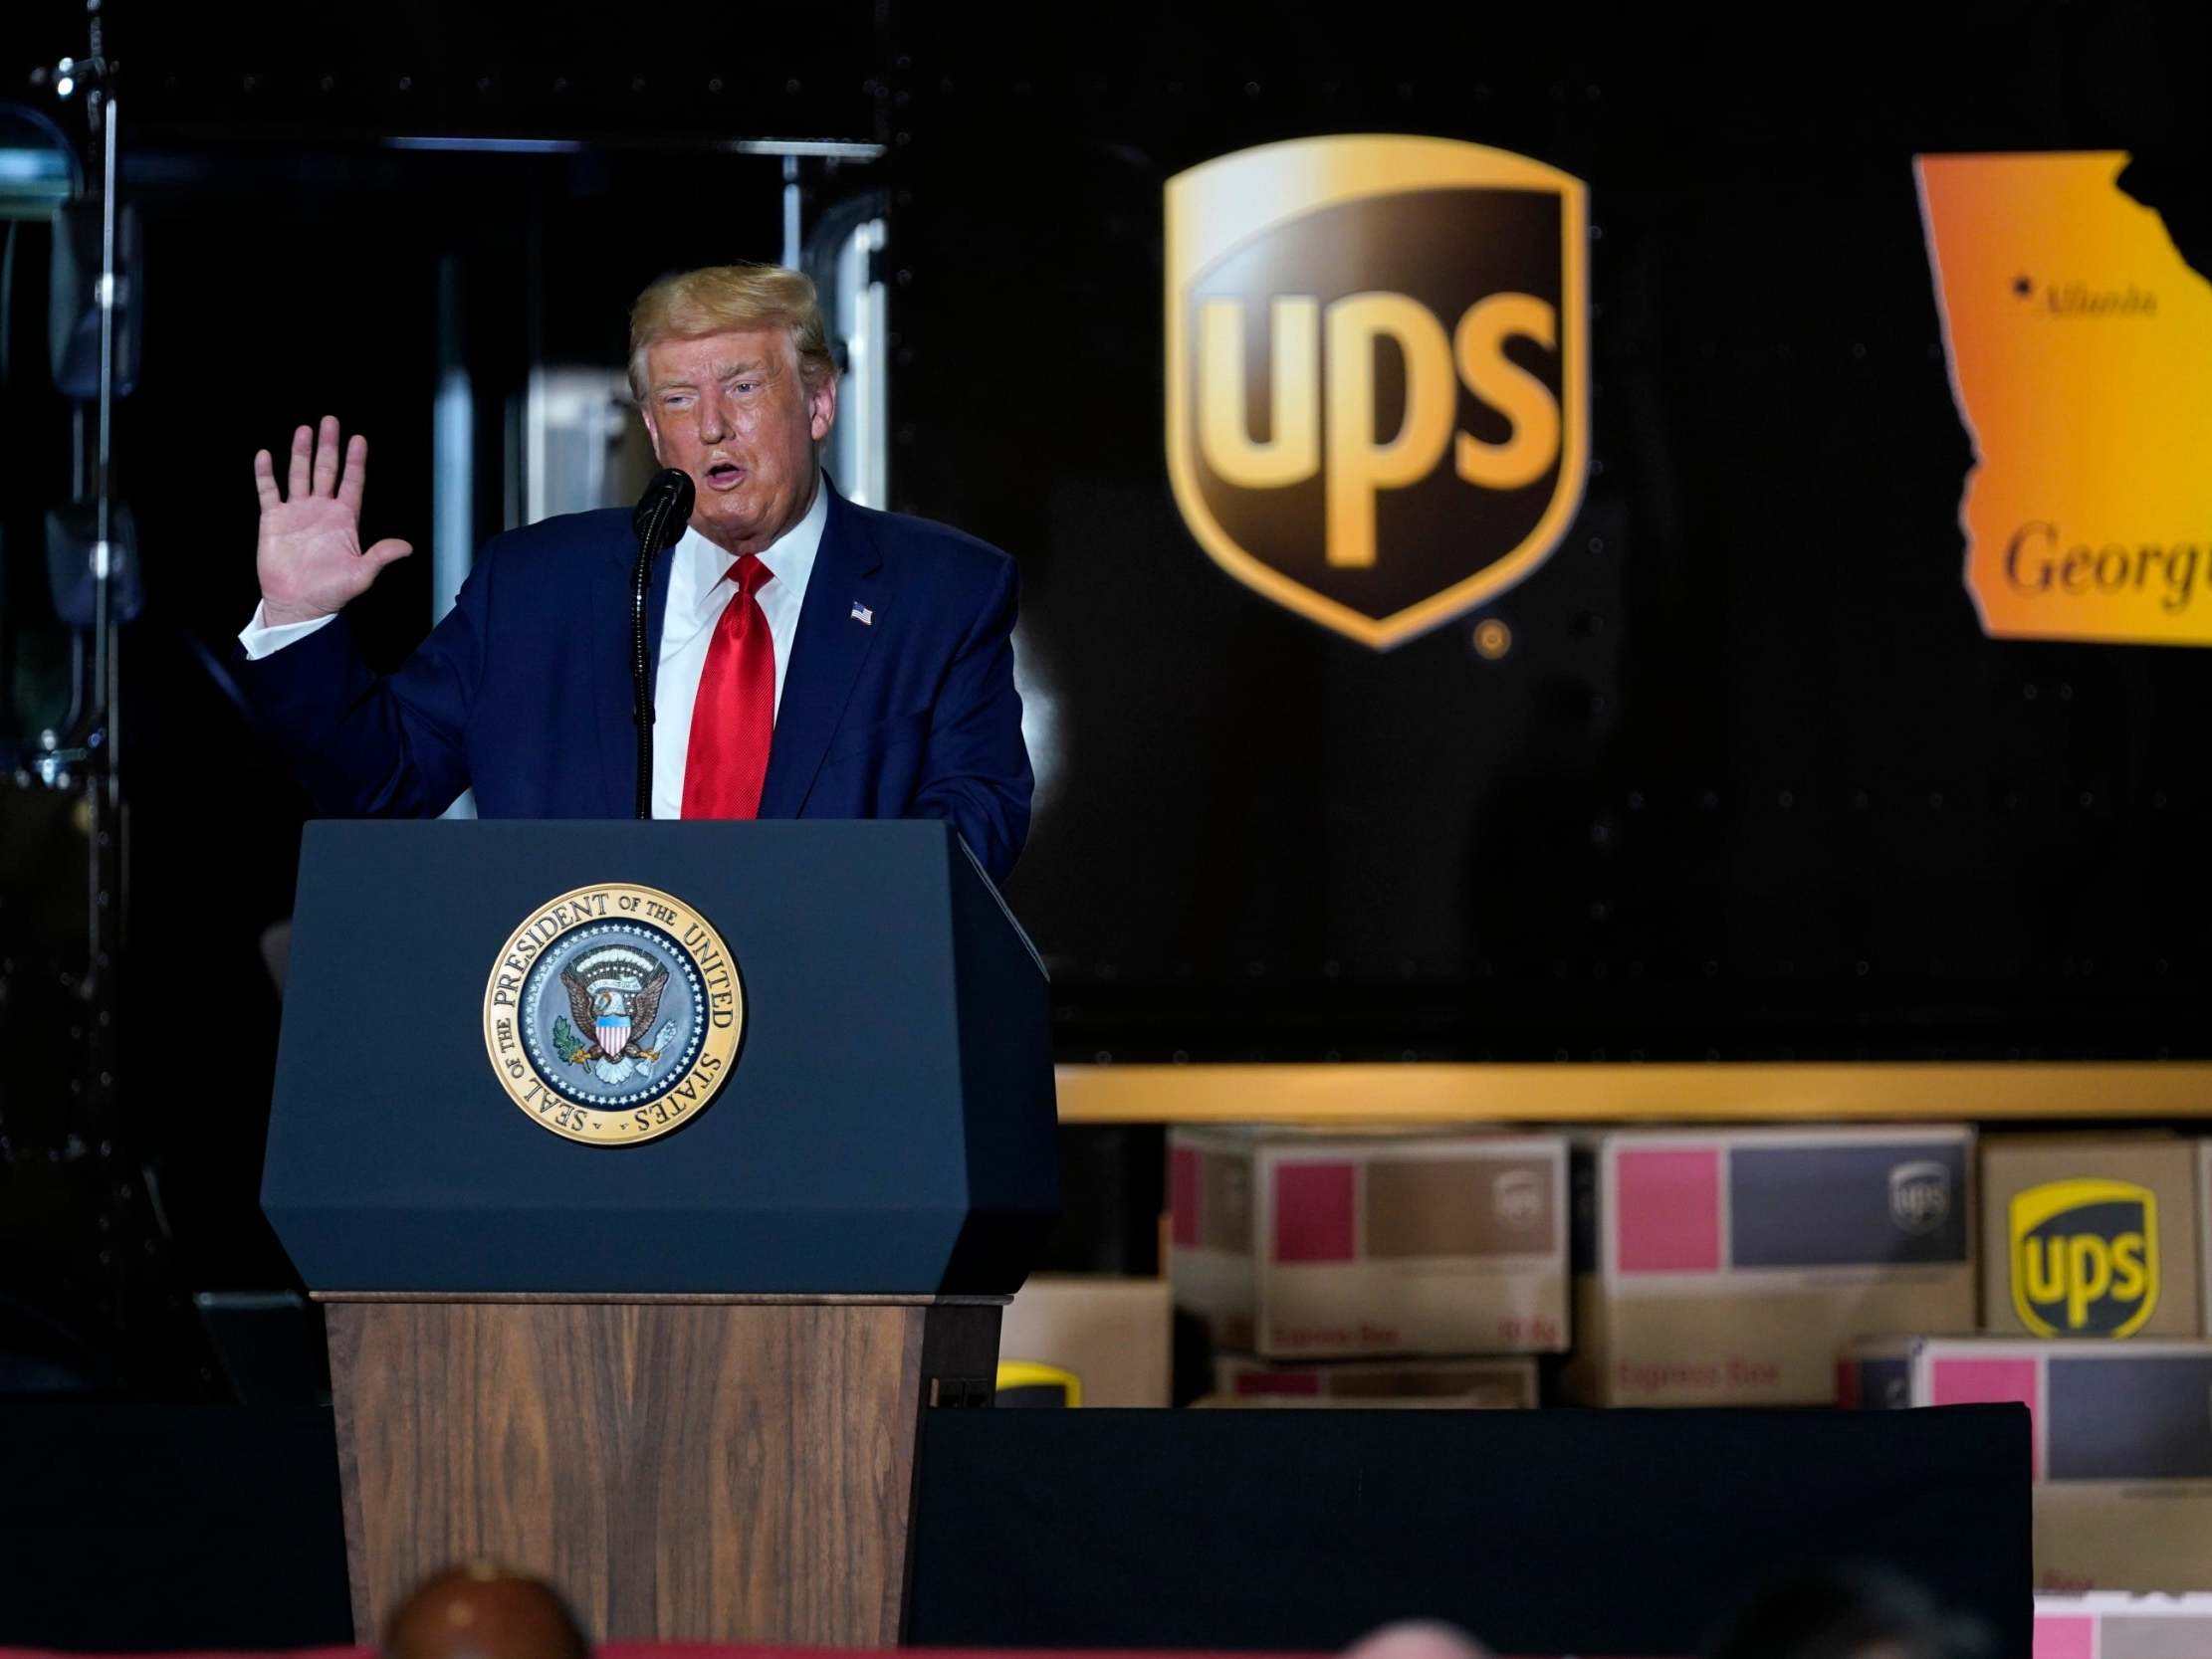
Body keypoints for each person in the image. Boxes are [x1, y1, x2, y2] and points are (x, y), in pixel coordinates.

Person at [236, 262, 1032, 884]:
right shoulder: (535, 587)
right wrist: (300, 618)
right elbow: (383, 787)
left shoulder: (940, 593)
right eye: (680, 399)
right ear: (653, 430)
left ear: (819, 403)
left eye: (744, 387)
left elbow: (978, 823)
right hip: (583, 1049)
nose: (712, 424)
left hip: (827, 1035)